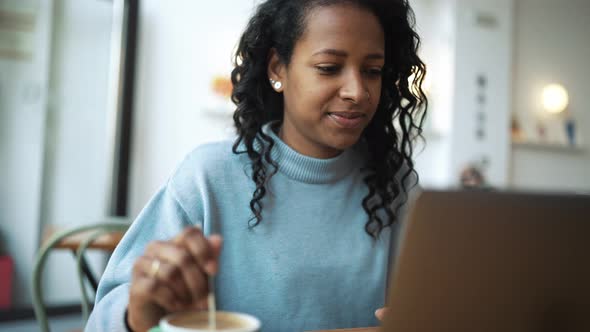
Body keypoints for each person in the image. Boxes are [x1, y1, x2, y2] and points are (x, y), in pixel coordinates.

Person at [86, 0, 427, 331]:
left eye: (372, 71)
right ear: (278, 68)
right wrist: (138, 316)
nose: (357, 91)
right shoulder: (208, 177)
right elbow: (101, 321)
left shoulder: (396, 184)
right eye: (329, 68)